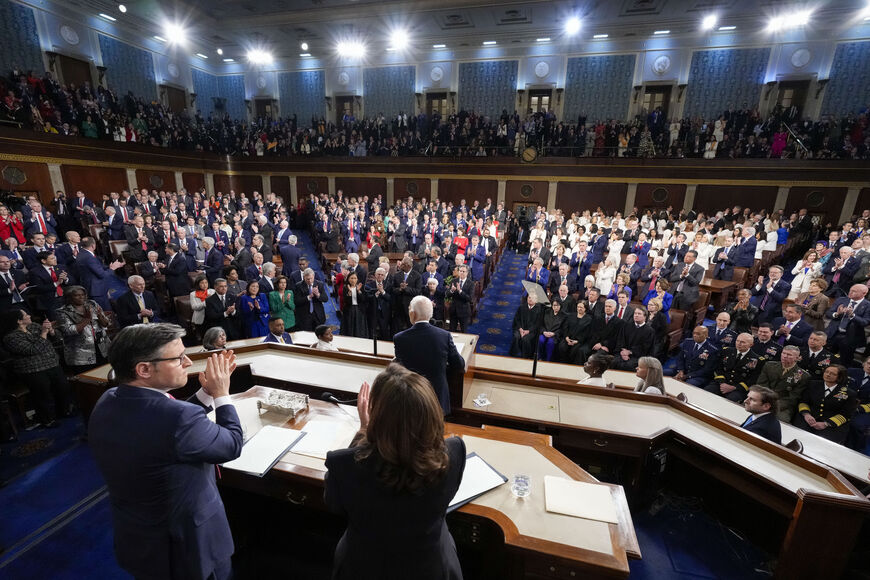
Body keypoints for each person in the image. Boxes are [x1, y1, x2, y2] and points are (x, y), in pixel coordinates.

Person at [89, 324, 242, 580]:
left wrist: (205, 394)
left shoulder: (110, 398)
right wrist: (221, 394)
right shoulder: (178, 419)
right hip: (190, 548)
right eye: (178, 358)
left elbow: (164, 427)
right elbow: (231, 444)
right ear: (144, 369)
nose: (188, 362)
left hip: (142, 538)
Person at [324, 365, 465, 580]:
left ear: (377, 415)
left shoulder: (342, 465)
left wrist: (363, 431)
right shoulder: (455, 452)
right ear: (432, 412)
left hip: (363, 567)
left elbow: (335, 505)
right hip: (432, 567)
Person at [0, 308, 74, 427]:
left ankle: (64, 411)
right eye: (26, 315)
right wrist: (44, 333)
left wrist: (51, 331)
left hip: (52, 363)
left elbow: (57, 338)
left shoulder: (34, 326)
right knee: (43, 395)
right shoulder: (10, 338)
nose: (29, 316)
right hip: (32, 369)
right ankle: (48, 420)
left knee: (63, 388)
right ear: (19, 321)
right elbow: (33, 350)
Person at [393, 296, 466, 416]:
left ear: (412, 313)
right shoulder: (444, 336)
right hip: (437, 398)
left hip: (410, 398)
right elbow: (459, 365)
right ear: (430, 314)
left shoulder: (399, 338)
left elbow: (399, 367)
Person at [793, 364, 857, 444]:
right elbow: (803, 401)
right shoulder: (812, 384)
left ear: (840, 377)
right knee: (797, 435)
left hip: (830, 424)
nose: (828, 375)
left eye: (833, 374)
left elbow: (846, 415)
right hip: (808, 417)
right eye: (827, 372)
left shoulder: (849, 393)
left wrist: (826, 424)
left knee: (821, 443)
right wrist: (806, 414)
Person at [55, 285, 111, 374]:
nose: (82, 297)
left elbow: (106, 323)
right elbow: (69, 331)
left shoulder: (92, 303)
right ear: (69, 297)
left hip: (102, 347)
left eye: (83, 294)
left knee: (105, 372)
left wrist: (100, 316)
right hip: (81, 353)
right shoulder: (63, 312)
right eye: (77, 295)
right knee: (89, 377)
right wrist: (86, 319)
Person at [756, 346, 811, 422]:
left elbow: (793, 398)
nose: (785, 356)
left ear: (797, 358)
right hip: (762, 398)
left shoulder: (803, 376)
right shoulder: (769, 365)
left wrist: (772, 405)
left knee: (781, 420)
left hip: (782, 406)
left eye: (789, 355)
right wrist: (763, 400)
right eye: (783, 353)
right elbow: (761, 385)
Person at [706, 333, 762, 402]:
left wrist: (734, 388)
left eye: (742, 342)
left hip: (738, 388)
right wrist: (722, 383)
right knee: (707, 391)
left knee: (731, 400)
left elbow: (753, 380)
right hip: (721, 383)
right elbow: (718, 368)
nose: (739, 344)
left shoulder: (757, 359)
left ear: (751, 345)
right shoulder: (726, 351)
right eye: (737, 341)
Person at [825, 283, 870, 366]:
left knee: (844, 362)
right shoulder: (841, 300)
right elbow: (828, 313)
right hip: (833, 334)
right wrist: (837, 313)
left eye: (854, 291)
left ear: (864, 293)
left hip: (850, 338)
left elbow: (865, 322)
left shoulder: (868, 305)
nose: (850, 292)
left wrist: (852, 315)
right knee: (826, 358)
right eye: (850, 290)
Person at [510, 293, 544, 359]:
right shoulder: (522, 307)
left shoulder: (539, 310)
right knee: (516, 336)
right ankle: (513, 355)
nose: (530, 299)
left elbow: (538, 324)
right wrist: (520, 329)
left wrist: (528, 331)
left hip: (532, 331)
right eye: (529, 297)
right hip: (520, 329)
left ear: (536, 300)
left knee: (526, 339)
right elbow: (517, 319)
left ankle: (525, 357)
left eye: (533, 298)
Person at [341, 271, 368, 338]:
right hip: (349, 310)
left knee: (359, 329)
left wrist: (359, 291)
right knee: (349, 328)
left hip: (359, 310)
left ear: (357, 279)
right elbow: (346, 301)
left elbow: (363, 300)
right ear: (348, 279)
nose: (353, 280)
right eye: (351, 278)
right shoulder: (345, 287)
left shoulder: (361, 287)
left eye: (355, 278)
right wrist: (349, 293)